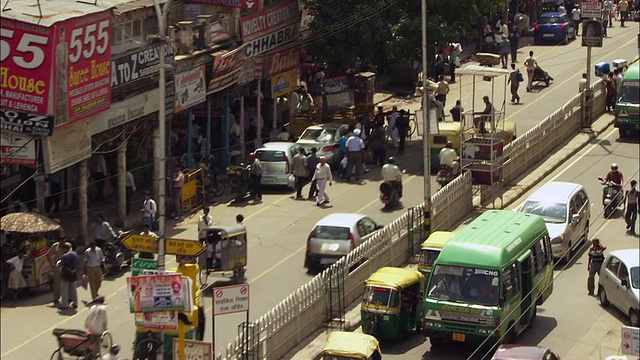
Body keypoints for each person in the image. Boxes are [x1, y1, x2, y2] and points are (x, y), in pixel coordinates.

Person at [47, 234, 68, 305]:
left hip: (66, 265)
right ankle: (56, 297)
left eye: (64, 239)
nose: (63, 241)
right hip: (58, 266)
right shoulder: (55, 246)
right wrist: (52, 264)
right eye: (61, 240)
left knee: (67, 281)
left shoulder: (68, 245)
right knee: (57, 283)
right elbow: (48, 254)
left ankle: (68, 296)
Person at [58, 243, 79, 309]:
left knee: (64, 290)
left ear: (64, 249)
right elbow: (78, 264)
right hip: (74, 273)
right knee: (73, 290)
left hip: (66, 274)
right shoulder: (75, 254)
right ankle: (75, 303)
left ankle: (65, 304)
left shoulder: (64, 256)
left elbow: (61, 264)